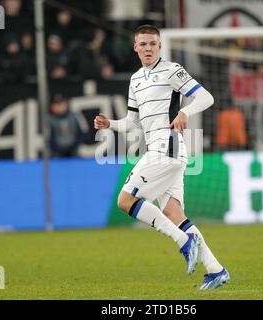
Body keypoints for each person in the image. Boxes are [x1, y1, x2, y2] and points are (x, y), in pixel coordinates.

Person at [94, 25, 229, 290]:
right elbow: (133, 123)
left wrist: (185, 113)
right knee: (173, 212)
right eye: (143, 44)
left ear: (160, 46)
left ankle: (183, 242)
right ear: (135, 47)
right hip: (159, 148)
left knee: (125, 200)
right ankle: (216, 270)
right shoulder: (135, 79)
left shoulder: (172, 70)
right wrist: (109, 124)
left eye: (152, 44)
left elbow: (206, 97)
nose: (148, 48)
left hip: (167, 146)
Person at [49, 93, 84, 158]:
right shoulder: (49, 119)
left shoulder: (74, 116)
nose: (59, 107)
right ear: (51, 106)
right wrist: (56, 147)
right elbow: (47, 138)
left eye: (61, 103)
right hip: (56, 152)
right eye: (56, 104)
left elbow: (84, 133)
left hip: (73, 150)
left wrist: (75, 144)